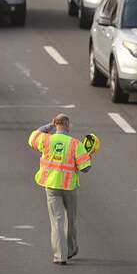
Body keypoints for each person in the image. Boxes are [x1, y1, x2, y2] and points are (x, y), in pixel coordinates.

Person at [28, 113, 92, 264]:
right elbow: (85, 168)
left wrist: (49, 125)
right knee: (70, 219)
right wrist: (88, 156)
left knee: (56, 221)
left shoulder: (46, 139)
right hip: (69, 187)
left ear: (56, 124)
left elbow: (33, 136)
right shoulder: (76, 144)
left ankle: (59, 256)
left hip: (51, 185)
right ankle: (70, 249)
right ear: (68, 125)